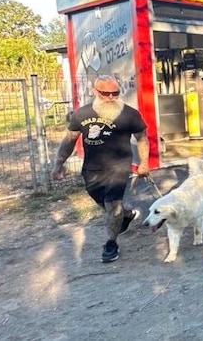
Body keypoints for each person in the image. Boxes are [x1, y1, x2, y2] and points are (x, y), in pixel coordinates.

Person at [51, 75, 149, 263]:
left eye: (115, 93)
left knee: (113, 204)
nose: (111, 97)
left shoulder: (130, 114)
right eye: (105, 94)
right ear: (94, 92)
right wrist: (59, 163)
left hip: (119, 167)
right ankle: (126, 215)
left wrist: (144, 163)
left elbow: (142, 138)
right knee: (106, 204)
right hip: (92, 169)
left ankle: (111, 243)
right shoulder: (81, 114)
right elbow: (70, 139)